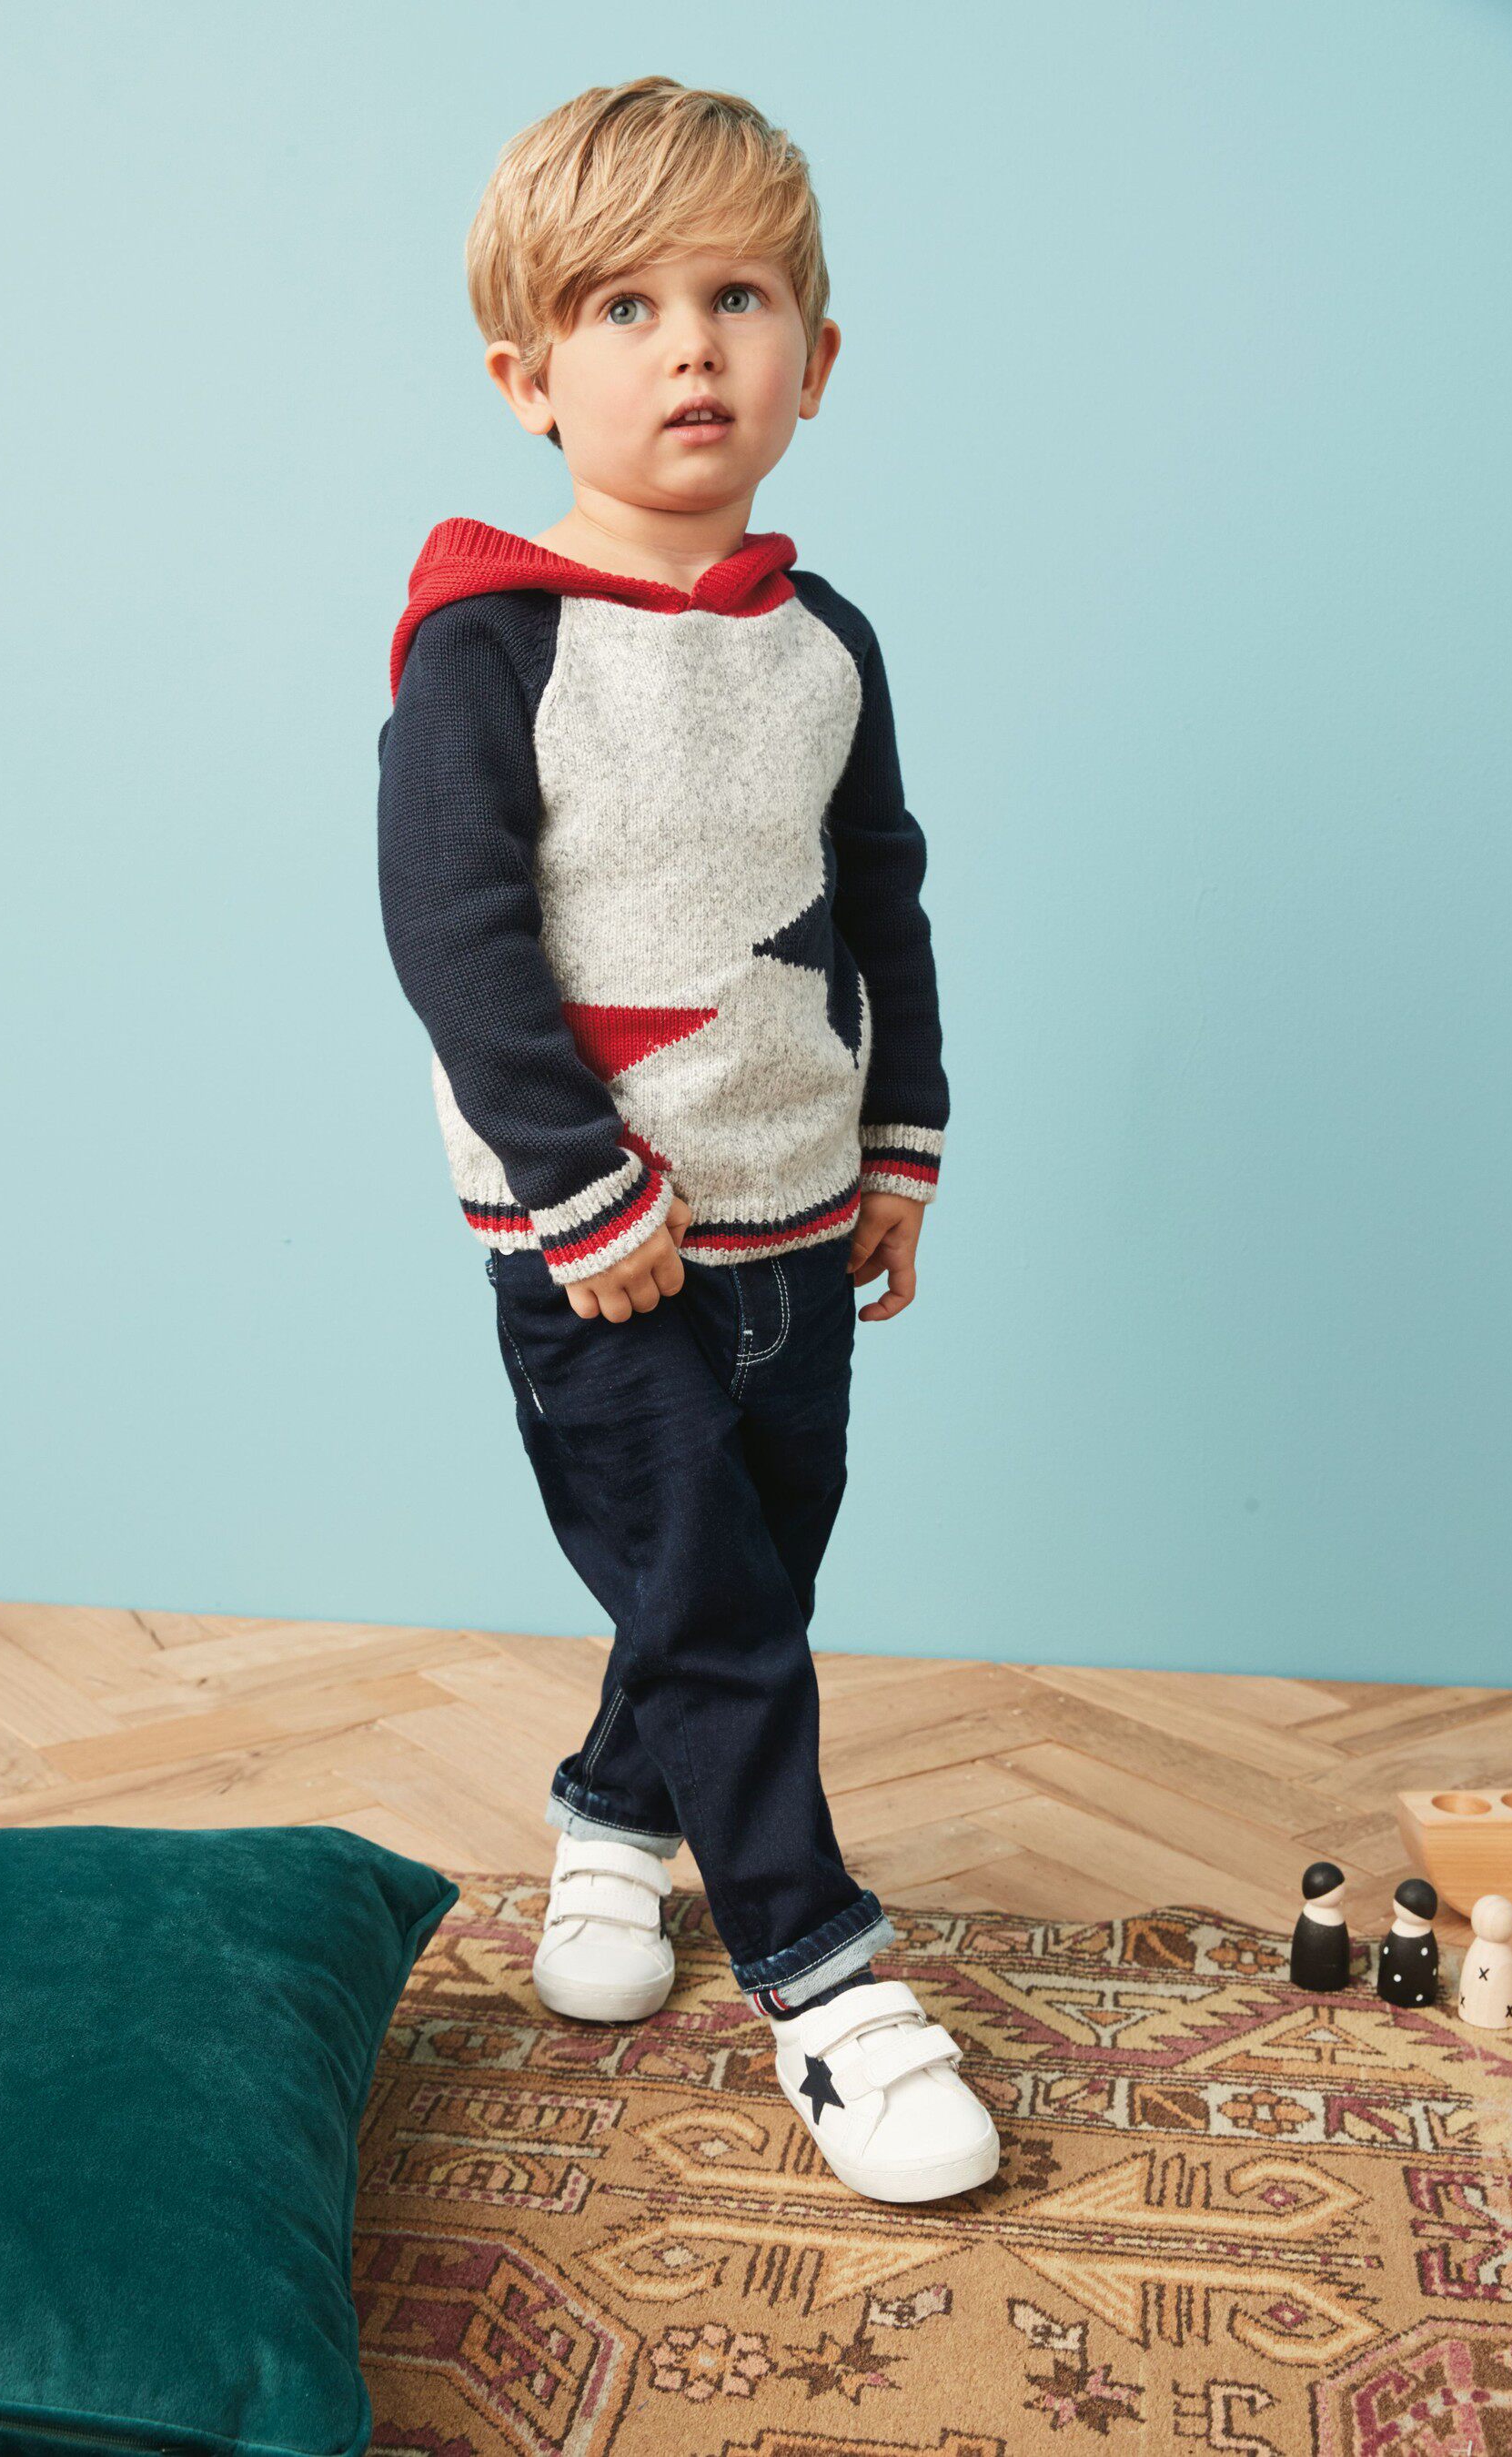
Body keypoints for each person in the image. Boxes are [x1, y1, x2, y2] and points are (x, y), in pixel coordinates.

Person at [377, 74, 996, 2204]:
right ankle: (828, 1988)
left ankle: (615, 1822)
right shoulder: (491, 643)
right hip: (602, 1248)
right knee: (721, 1606)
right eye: (625, 308)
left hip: (796, 1226)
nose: (693, 347)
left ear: (817, 359)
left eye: (739, 299)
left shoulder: (825, 645)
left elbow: (879, 896)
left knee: (748, 1571)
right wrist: (582, 1187)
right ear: (529, 378)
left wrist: (900, 1144)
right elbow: (456, 938)